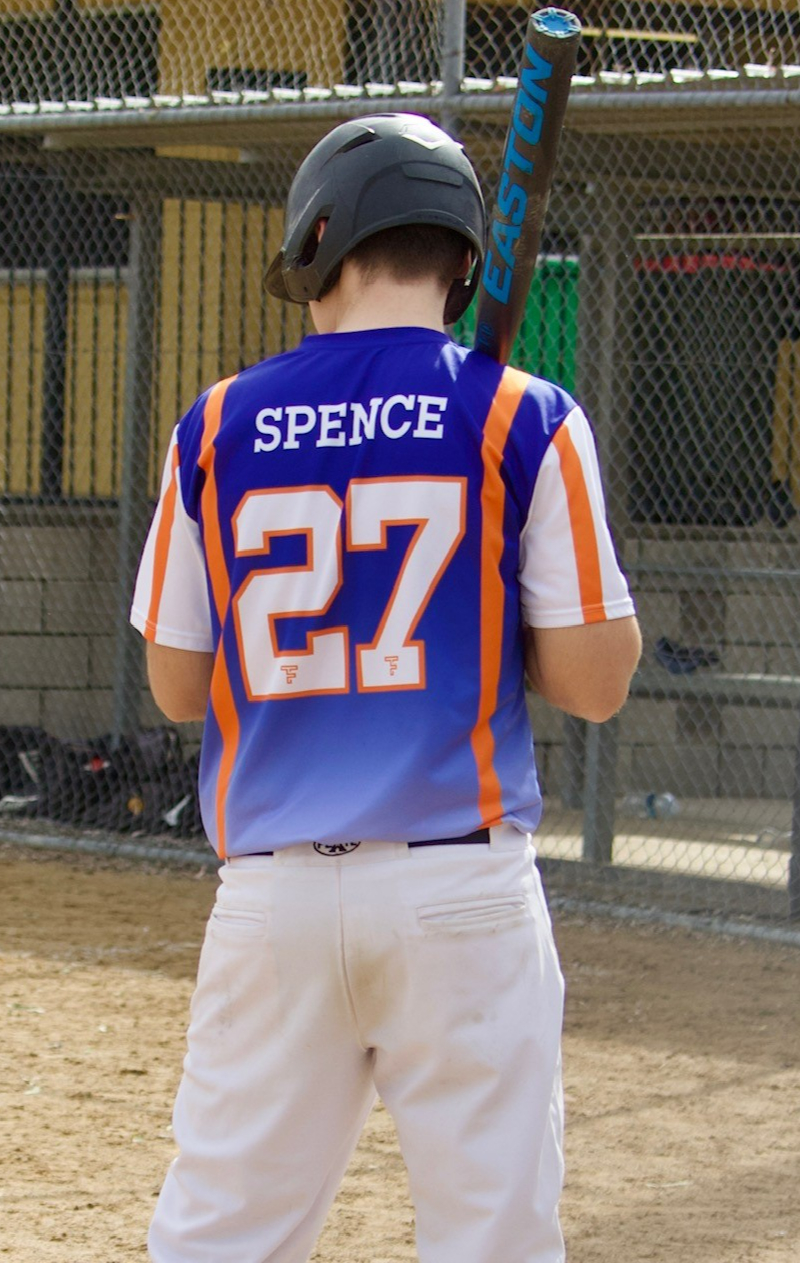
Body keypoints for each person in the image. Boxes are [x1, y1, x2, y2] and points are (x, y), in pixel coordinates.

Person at [131, 112, 641, 1263]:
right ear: (464, 261)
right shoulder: (522, 414)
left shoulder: (216, 422)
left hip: (271, 896)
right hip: (461, 890)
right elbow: (596, 684)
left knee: (220, 1238)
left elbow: (177, 682)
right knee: (492, 1239)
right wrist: (492, 620)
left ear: (320, 245)